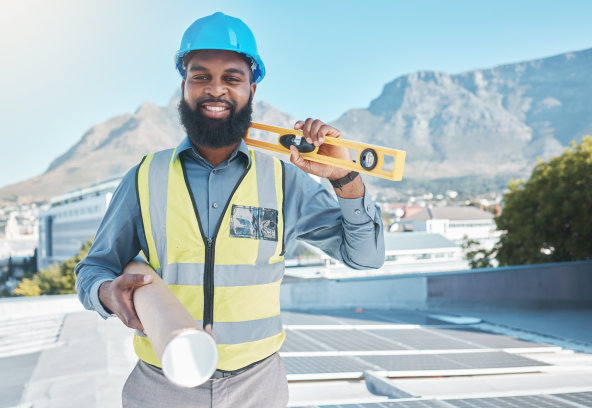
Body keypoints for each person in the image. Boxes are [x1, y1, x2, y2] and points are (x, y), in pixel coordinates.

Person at [75, 12, 384, 408]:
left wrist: (345, 179)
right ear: (184, 86)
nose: (215, 89)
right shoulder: (145, 176)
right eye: (200, 76)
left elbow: (367, 258)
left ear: (252, 89)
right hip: (161, 386)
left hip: (257, 388)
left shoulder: (283, 180)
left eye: (232, 78)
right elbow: (94, 267)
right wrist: (106, 292)